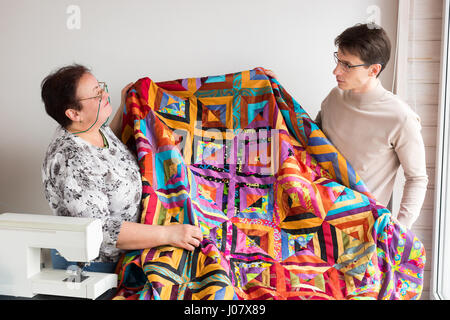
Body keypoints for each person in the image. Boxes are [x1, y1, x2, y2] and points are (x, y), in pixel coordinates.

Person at [41, 64, 203, 272]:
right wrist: (169, 234)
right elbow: (100, 230)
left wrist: (124, 108)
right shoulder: (70, 159)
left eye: (101, 87)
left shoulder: (91, 127)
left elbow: (107, 154)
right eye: (96, 94)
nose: (104, 93)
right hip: (100, 269)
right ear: (74, 113)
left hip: (138, 249)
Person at [267, 23, 428, 229]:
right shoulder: (335, 97)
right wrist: (276, 93)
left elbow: (417, 178)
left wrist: (400, 228)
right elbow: (308, 138)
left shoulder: (401, 117)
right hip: (314, 214)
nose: (336, 71)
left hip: (360, 228)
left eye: (347, 65)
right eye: (338, 60)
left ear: (374, 70)